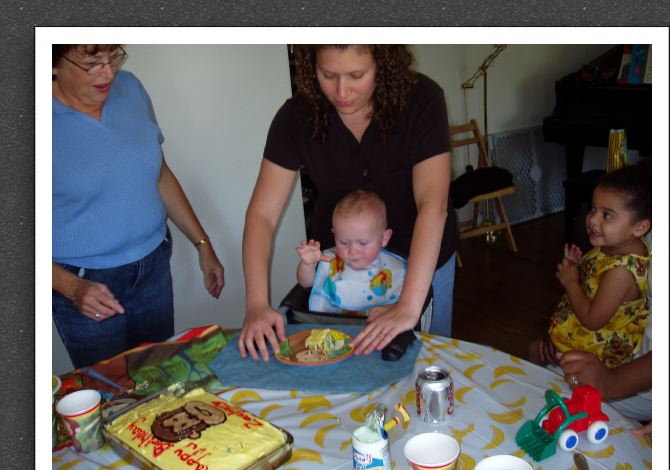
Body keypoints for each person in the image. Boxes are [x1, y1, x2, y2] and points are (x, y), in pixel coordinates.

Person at [238, 44, 458, 360]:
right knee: (343, 362)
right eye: (328, 75)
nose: (342, 91)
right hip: (343, 269)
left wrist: (409, 306)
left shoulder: (422, 100)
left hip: (422, 257)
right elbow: (262, 214)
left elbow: (432, 204)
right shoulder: (295, 118)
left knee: (426, 362)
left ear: (383, 63)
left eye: (357, 75)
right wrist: (257, 303)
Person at [52, 44, 225, 369]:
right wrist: (71, 288)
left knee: (159, 378)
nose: (108, 73)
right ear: (53, 64)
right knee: (110, 395)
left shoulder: (130, 87)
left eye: (113, 57)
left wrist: (203, 244)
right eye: (92, 63)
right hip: (86, 285)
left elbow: (158, 172)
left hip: (153, 269)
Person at [528, 161, 651, 369]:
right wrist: (578, 267)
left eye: (607, 215)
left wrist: (571, 283)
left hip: (595, 355)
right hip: (580, 335)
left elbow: (593, 319)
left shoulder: (621, 272)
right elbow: (595, 282)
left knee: (541, 356)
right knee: (535, 349)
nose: (593, 219)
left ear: (640, 227)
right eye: (593, 208)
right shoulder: (613, 244)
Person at [296, 190, 406, 317]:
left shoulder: (393, 268)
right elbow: (306, 282)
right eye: (343, 242)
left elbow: (406, 303)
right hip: (332, 329)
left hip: (378, 331)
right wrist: (307, 264)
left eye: (363, 243)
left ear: (384, 238)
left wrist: (390, 309)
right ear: (335, 234)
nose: (352, 250)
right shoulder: (330, 260)